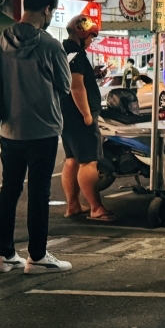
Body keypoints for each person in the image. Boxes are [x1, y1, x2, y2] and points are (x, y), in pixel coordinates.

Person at [0, 0, 73, 274]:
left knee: (9, 190)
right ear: (47, 10)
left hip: (9, 129)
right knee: (38, 193)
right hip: (43, 129)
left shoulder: (0, 40)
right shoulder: (50, 45)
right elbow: (64, 86)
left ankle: (4, 255)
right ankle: (37, 256)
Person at [60, 15, 115, 222]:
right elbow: (76, 86)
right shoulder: (75, 54)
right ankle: (96, 207)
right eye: (91, 36)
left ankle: (73, 205)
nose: (92, 40)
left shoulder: (64, 51)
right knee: (88, 162)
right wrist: (86, 114)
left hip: (65, 115)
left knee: (72, 160)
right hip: (78, 116)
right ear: (81, 33)